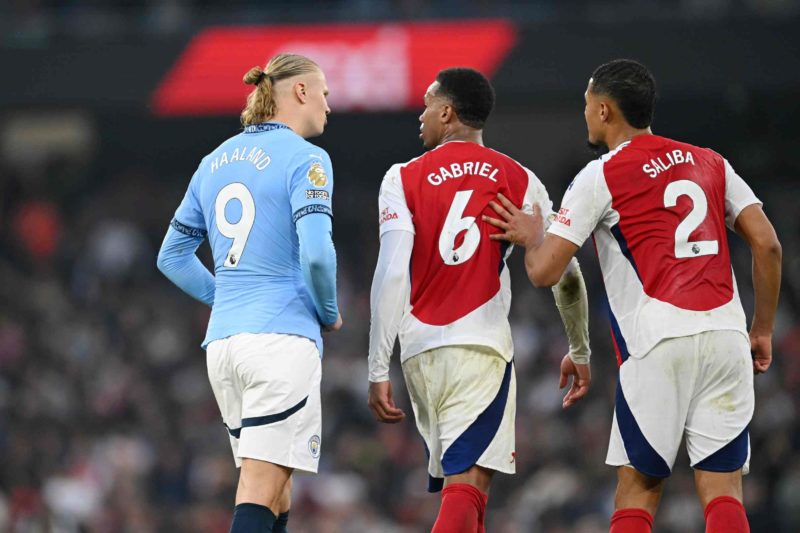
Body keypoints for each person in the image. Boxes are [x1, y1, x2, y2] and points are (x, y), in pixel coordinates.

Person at [484, 59, 782, 533]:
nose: (583, 114)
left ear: (604, 110)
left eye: (585, 105)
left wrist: (533, 235)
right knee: (723, 491)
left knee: (638, 489)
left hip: (658, 341)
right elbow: (767, 243)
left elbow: (543, 273)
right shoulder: (710, 160)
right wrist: (762, 328)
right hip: (727, 337)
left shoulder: (599, 176)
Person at [367, 67, 592, 533]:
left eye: (428, 103)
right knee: (467, 485)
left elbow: (391, 273)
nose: (422, 113)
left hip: (419, 353)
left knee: (469, 496)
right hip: (480, 348)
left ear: (447, 113)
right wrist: (580, 348)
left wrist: (376, 367)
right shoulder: (520, 180)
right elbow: (564, 273)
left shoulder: (401, 177)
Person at [157, 53, 341, 533]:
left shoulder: (213, 160)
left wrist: (230, 299)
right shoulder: (307, 159)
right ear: (300, 91)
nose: (328, 105)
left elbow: (171, 257)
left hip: (224, 348)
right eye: (324, 93)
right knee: (261, 486)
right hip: (280, 341)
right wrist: (328, 310)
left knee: (277, 488)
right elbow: (318, 256)